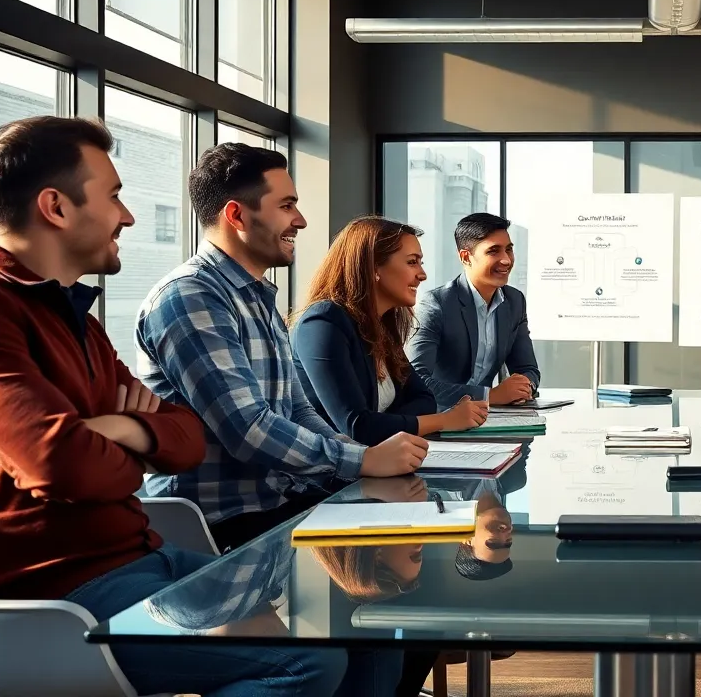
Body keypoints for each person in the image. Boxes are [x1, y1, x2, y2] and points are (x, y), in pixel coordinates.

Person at [0, 116, 351, 695]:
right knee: (307, 662)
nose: (128, 216)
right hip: (62, 594)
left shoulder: (76, 321)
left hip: (140, 556)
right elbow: (63, 464)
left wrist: (120, 427)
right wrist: (134, 439)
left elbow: (185, 438)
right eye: (114, 196)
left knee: (334, 624)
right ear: (55, 207)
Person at [136, 143, 430, 552]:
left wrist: (366, 457)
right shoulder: (190, 297)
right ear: (237, 214)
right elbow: (248, 429)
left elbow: (297, 409)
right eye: (287, 205)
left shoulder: (256, 297)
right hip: (222, 532)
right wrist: (361, 461)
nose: (302, 220)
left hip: (279, 507)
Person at [292, 216, 489, 444]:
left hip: (382, 464)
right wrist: (444, 420)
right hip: (332, 475)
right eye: (412, 262)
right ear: (374, 266)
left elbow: (424, 399)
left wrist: (382, 424)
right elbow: (357, 426)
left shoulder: (382, 325)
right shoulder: (322, 323)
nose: (422, 274)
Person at [408, 212, 540, 407]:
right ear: (466, 257)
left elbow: (527, 368)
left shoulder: (514, 301)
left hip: (488, 419)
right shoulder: (436, 304)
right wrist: (488, 396)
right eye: (494, 251)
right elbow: (416, 382)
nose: (506, 260)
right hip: (439, 418)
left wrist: (525, 385)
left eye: (509, 249)